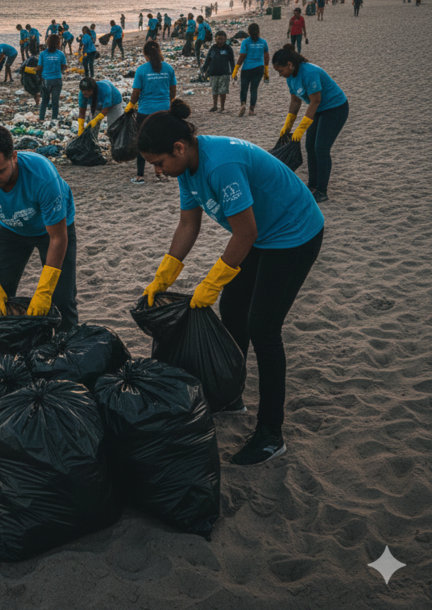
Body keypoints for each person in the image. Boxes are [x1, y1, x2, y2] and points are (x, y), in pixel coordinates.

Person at [137, 100, 325, 465]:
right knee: (233, 312)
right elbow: (188, 224)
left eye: (159, 163)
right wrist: (164, 276)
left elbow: (245, 232)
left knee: (263, 328)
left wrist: (212, 282)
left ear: (179, 147)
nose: (158, 171)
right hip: (261, 235)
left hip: (293, 234)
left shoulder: (221, 164)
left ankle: (271, 433)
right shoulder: (187, 169)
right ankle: (229, 395)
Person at [0, 123, 78, 362]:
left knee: (61, 298)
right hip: (11, 229)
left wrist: (44, 289)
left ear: (13, 156)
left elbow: (58, 237)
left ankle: (69, 356)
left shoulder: (41, 176)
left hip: (53, 230)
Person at [272, 47, 348, 204]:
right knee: (309, 146)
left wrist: (301, 128)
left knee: (321, 148)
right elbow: (295, 101)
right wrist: (288, 125)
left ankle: (322, 190)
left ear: (290, 64)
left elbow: (315, 101)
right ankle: (312, 184)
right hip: (319, 109)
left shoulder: (309, 73)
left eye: (281, 70)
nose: (280, 74)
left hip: (335, 108)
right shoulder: (290, 77)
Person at [126, 40, 176, 184]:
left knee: (142, 143)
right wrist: (168, 104)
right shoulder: (168, 68)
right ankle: (160, 173)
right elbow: (173, 92)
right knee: (160, 141)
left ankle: (140, 176)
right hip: (164, 111)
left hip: (145, 111)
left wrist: (129, 106)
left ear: (145, 54)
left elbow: (136, 93)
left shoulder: (141, 70)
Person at [231, 23, 269, 117]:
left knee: (244, 88)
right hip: (259, 68)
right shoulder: (263, 42)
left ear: (248, 32)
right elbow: (267, 57)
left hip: (247, 68)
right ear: (258, 31)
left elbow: (242, 56)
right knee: (254, 89)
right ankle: (251, 110)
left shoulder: (245, 42)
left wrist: (235, 70)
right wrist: (266, 73)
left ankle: (243, 104)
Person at [201, 30, 235, 113]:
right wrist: (204, 69)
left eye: (222, 39)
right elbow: (208, 60)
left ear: (225, 39)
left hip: (224, 72)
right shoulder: (213, 48)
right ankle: (215, 106)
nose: (220, 41)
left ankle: (222, 107)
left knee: (223, 91)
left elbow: (232, 61)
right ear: (215, 39)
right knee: (214, 90)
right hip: (213, 72)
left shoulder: (228, 48)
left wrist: (234, 72)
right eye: (218, 39)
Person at [38, 34, 67, 121]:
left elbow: (39, 67)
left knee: (44, 101)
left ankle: (41, 118)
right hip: (57, 79)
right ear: (58, 43)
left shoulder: (42, 54)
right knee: (55, 101)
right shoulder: (60, 54)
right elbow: (64, 66)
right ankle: (54, 119)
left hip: (46, 80)